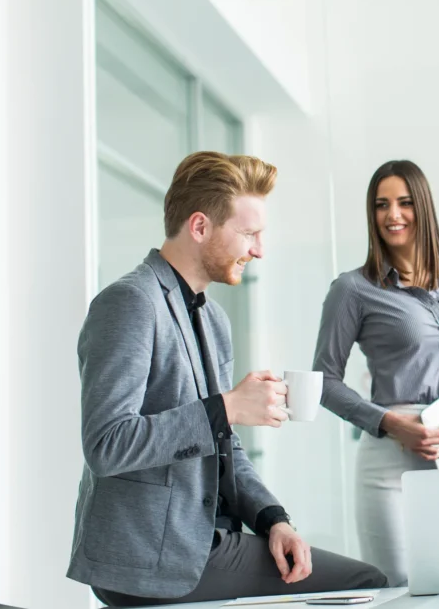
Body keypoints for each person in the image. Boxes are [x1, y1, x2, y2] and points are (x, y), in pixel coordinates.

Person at [68, 152, 385, 606]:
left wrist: (274, 519)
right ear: (200, 227)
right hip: (152, 556)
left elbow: (223, 443)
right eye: (250, 234)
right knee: (367, 582)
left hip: (204, 541)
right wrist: (228, 407)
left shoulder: (213, 319)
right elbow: (107, 444)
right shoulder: (130, 302)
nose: (259, 249)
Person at [313, 160, 439, 587]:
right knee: (398, 588)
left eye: (405, 203)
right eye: (381, 205)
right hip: (391, 459)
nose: (393, 215)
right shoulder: (353, 289)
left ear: (423, 208)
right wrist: (389, 422)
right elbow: (323, 381)